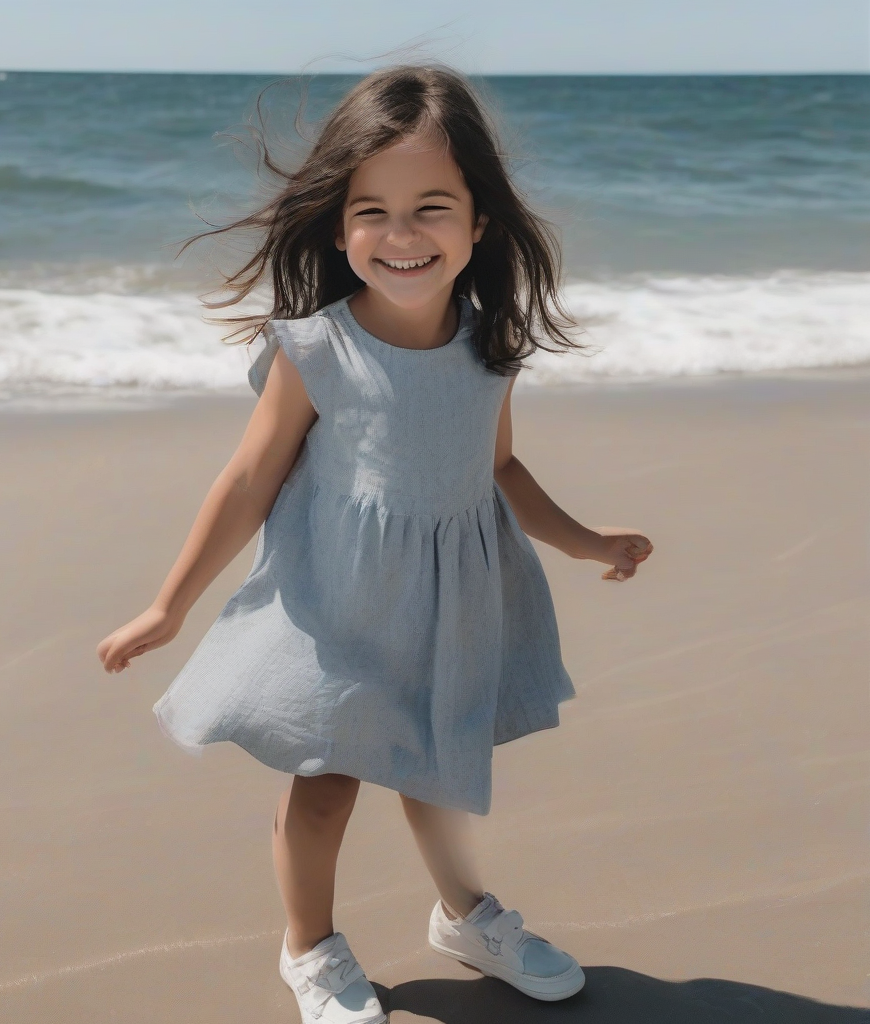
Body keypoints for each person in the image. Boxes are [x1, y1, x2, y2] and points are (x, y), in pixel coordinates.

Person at [97, 64, 653, 1024]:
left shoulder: (490, 346)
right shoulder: (319, 349)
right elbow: (247, 480)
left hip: (451, 601)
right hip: (338, 608)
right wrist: (169, 604)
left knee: (443, 773)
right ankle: (308, 945)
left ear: (478, 223)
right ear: (339, 224)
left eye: (431, 207)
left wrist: (584, 540)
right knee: (324, 794)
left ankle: (464, 914)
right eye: (372, 211)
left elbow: (500, 471)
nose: (401, 235)